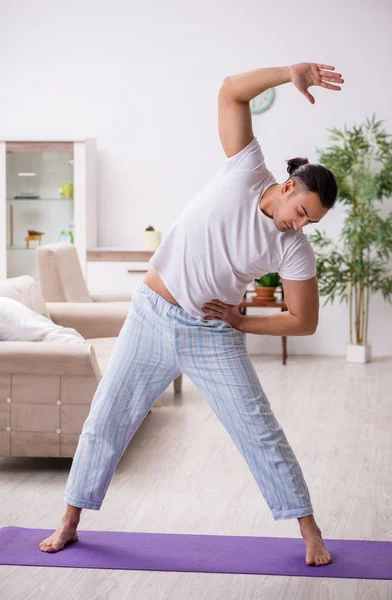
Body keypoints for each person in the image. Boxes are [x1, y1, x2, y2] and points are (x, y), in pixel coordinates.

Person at [39, 62, 344, 567]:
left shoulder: (295, 251)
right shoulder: (246, 170)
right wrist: (289, 71)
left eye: (311, 223)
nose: (300, 226)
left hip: (211, 334)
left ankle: (309, 531)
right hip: (150, 316)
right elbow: (230, 93)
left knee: (258, 430)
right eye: (302, 213)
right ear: (290, 187)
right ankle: (69, 522)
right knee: (106, 419)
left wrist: (241, 320)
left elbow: (303, 321)